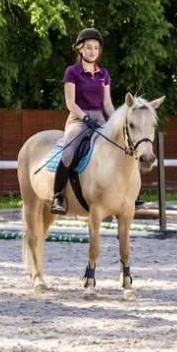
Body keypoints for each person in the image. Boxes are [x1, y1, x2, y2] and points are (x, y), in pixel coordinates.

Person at [51, 28, 116, 214]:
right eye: (89, 47)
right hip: (78, 120)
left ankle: (128, 195)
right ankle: (58, 197)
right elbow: (70, 103)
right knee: (68, 154)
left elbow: (108, 104)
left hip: (100, 120)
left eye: (96, 48)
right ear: (80, 48)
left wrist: (117, 121)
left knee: (122, 148)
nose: (93, 51)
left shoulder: (104, 74)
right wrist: (85, 118)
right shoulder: (72, 72)